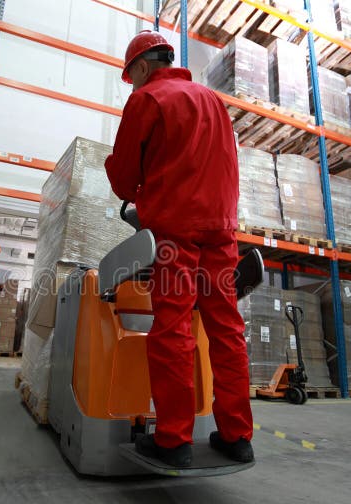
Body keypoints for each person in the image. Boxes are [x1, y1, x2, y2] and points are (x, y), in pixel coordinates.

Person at [104, 30, 253, 468]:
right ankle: (237, 436)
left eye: (131, 75)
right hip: (221, 230)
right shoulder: (211, 100)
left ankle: (174, 439)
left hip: (175, 231)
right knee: (226, 328)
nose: (131, 84)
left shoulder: (147, 100)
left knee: (172, 327)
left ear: (143, 67)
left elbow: (123, 177)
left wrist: (128, 179)